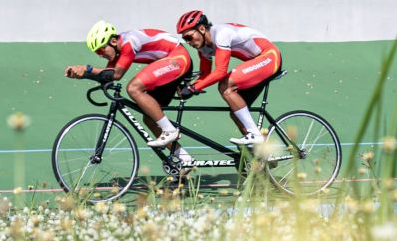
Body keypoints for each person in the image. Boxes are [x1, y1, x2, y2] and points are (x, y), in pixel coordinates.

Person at [64, 20, 193, 165]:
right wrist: (83, 74)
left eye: (101, 50)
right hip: (167, 64)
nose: (100, 55)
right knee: (150, 118)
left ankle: (169, 130)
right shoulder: (117, 49)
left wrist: (87, 69)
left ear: (113, 41)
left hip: (178, 58)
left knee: (133, 88)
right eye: (97, 53)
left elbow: (117, 74)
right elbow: (108, 75)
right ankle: (185, 159)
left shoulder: (129, 41)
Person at [176, 11, 282, 146]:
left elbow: (220, 71)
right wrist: (189, 87)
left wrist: (193, 88)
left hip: (269, 57)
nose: (188, 42)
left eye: (189, 37)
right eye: (185, 39)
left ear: (202, 29)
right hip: (257, 64)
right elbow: (205, 75)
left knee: (225, 85)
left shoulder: (221, 33)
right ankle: (261, 153)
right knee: (236, 113)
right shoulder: (203, 47)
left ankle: (255, 134)